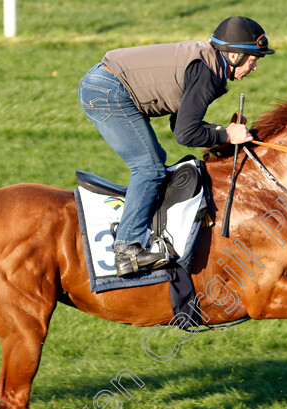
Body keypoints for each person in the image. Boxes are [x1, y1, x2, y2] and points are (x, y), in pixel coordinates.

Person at [78, 16, 275, 277]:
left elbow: (181, 123)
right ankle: (127, 250)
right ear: (235, 55)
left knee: (154, 160)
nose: (255, 67)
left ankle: (134, 224)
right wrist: (227, 135)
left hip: (105, 82)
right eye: (254, 59)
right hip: (107, 91)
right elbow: (185, 134)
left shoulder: (208, 64)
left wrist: (218, 131)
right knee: (149, 169)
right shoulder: (207, 73)